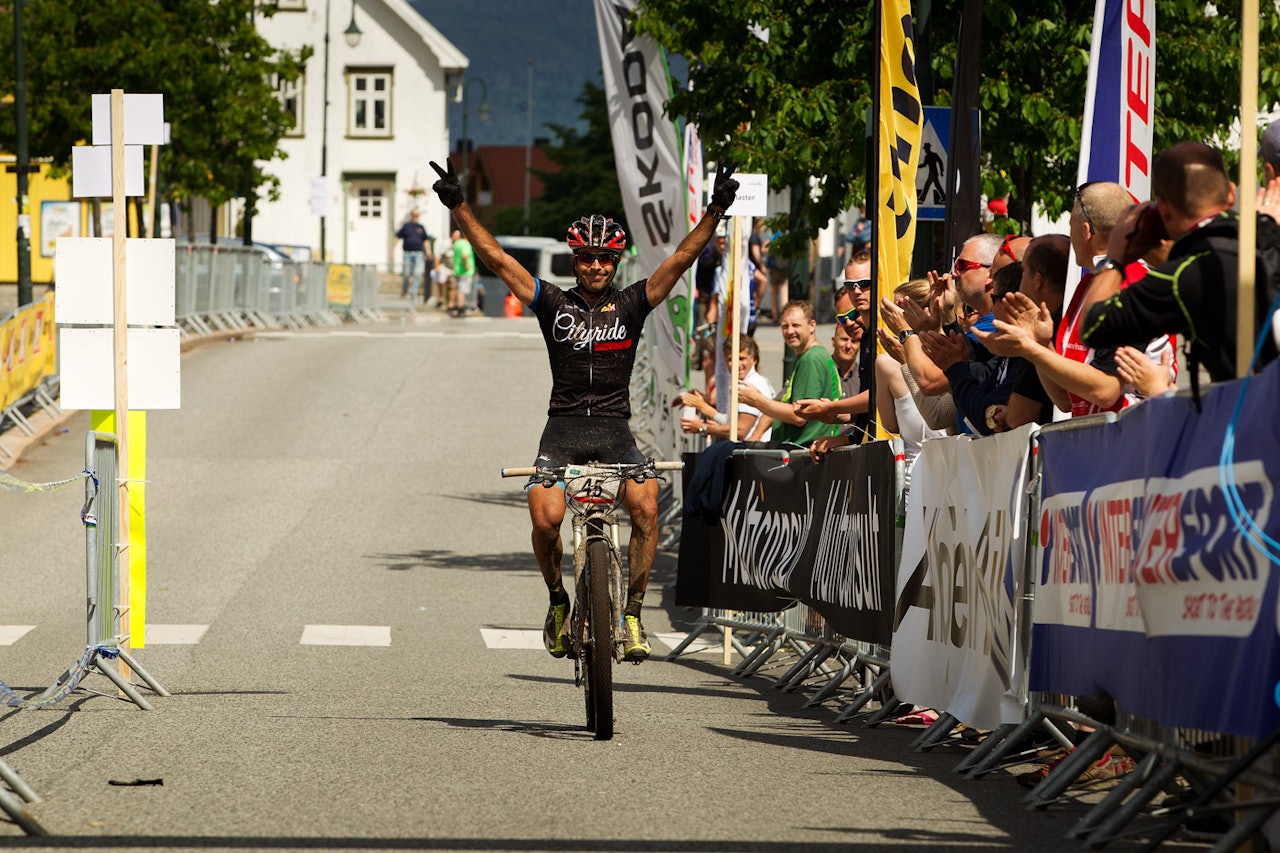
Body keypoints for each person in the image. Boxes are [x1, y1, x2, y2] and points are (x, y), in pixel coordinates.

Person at [429, 157, 739, 662]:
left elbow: (682, 259)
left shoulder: (633, 303)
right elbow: (499, 260)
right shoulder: (553, 303)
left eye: (605, 259)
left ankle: (632, 614)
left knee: (647, 508)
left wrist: (716, 211)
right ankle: (557, 601)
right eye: (587, 258)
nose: (596, 266)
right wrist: (459, 206)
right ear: (575, 261)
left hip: (616, 430)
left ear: (616, 263)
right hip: (563, 429)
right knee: (545, 518)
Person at [1079, 141, 1279, 381]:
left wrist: (1115, 259)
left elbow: (1093, 326)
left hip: (1254, 403)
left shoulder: (1182, 275)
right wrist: (1267, 230)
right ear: (1231, 194)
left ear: (1163, 209)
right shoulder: (1267, 235)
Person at [736, 300, 842, 447]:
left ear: (812, 325)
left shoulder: (811, 359)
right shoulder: (809, 356)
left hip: (803, 451)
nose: (790, 331)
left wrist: (756, 400)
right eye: (785, 326)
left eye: (796, 325)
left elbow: (800, 415)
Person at [678, 336, 775, 441]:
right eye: (731, 359)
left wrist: (703, 427)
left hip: (752, 449)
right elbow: (730, 422)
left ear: (753, 360)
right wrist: (702, 407)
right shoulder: (739, 382)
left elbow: (740, 430)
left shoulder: (752, 383)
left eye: (741, 358)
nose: (737, 365)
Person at [394, 209, 430, 303]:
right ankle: (404, 291)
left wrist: (428, 251)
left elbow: (425, 240)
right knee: (406, 274)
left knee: (417, 274)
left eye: (417, 215)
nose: (415, 216)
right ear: (411, 215)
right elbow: (397, 237)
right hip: (408, 253)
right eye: (414, 215)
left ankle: (414, 294)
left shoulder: (421, 227)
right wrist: (392, 251)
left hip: (418, 253)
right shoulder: (406, 226)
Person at [449, 228, 477, 317]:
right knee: (462, 291)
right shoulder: (466, 244)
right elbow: (464, 256)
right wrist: (465, 266)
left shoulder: (456, 243)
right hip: (465, 272)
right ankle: (460, 308)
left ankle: (457, 306)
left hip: (457, 270)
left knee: (459, 289)